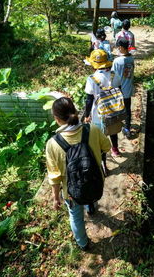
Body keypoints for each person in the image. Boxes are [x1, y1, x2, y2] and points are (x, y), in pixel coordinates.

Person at [45, 97, 111, 250]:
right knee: (89, 184)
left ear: (57, 119)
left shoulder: (53, 144)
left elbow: (54, 177)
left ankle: (83, 243)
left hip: (71, 192)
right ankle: (91, 207)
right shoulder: (92, 129)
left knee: (75, 217)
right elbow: (107, 147)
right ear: (75, 112)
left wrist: (56, 198)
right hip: (95, 180)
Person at [84, 49, 122, 159]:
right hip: (114, 110)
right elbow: (119, 92)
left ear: (94, 65)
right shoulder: (115, 75)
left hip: (98, 114)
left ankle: (103, 163)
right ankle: (115, 149)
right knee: (113, 130)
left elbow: (89, 100)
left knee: (100, 138)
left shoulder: (92, 79)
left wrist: (87, 115)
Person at [112, 37, 135, 138]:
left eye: (118, 47)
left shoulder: (117, 61)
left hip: (119, 89)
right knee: (128, 109)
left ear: (121, 47)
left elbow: (116, 77)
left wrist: (112, 87)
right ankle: (127, 127)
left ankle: (119, 126)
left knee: (118, 109)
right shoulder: (131, 59)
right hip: (128, 88)